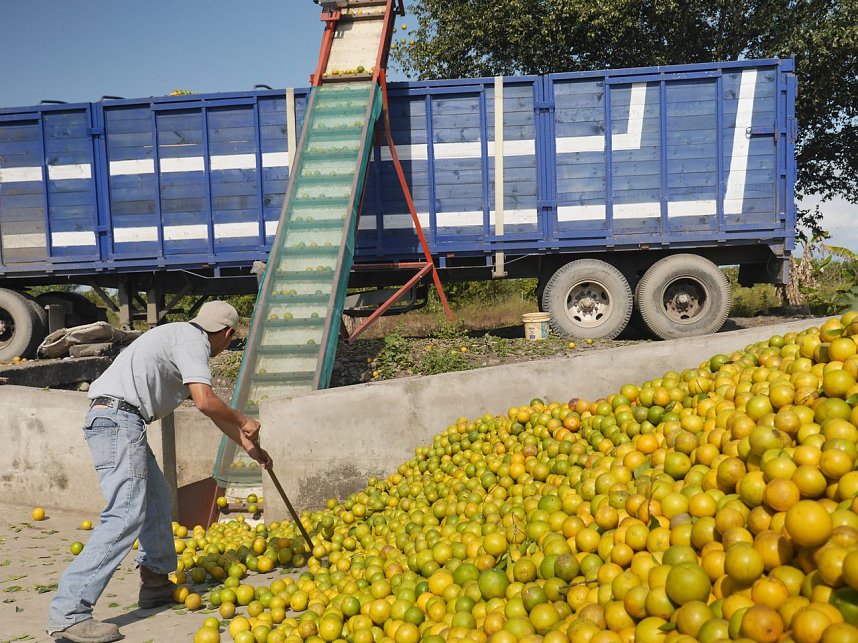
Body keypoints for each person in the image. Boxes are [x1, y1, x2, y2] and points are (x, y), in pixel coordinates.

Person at [47, 300, 272, 643]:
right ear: (226, 333)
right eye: (230, 339)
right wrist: (244, 419)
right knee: (124, 515)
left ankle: (154, 585)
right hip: (118, 421)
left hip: (119, 419)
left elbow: (212, 413)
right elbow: (206, 401)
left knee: (157, 498)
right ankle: (69, 613)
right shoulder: (193, 342)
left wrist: (252, 449)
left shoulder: (179, 337)